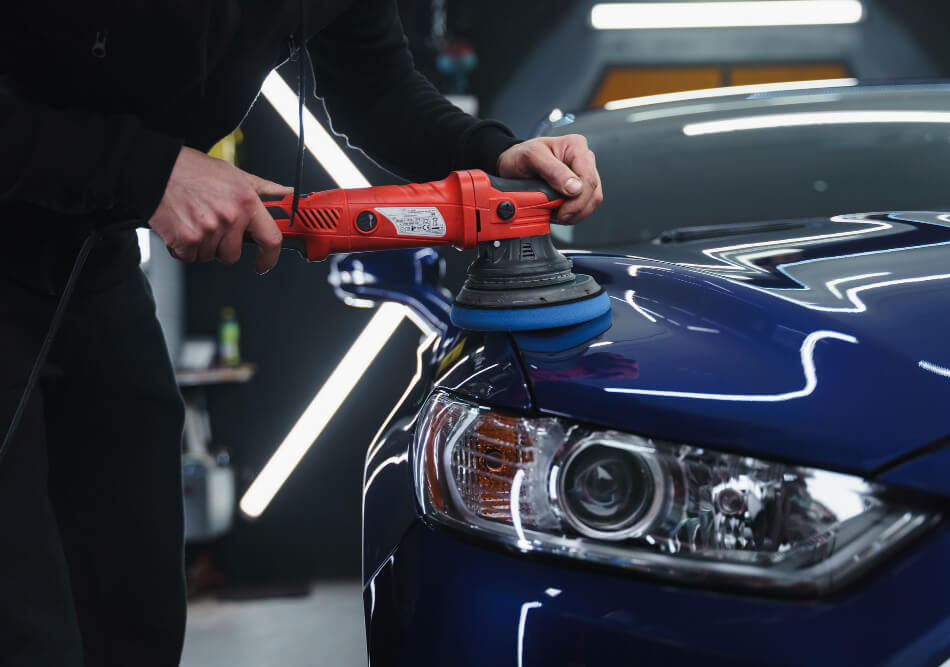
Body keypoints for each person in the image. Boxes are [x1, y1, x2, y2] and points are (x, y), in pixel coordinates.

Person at [0, 2, 602, 665]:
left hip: (90, 256)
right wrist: (146, 169)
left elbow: (375, 86)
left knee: (130, 601)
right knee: (25, 621)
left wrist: (492, 152)